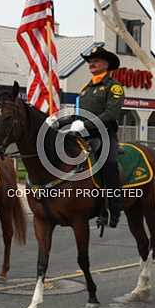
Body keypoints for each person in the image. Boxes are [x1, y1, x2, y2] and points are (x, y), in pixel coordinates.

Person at [46, 46, 125, 228]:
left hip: (105, 136)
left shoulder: (114, 87)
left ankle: (114, 207)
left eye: (95, 60)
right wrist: (59, 121)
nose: (91, 64)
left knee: (109, 163)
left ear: (106, 64)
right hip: (83, 136)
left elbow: (111, 114)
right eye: (90, 61)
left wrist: (86, 124)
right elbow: (77, 115)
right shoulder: (85, 89)